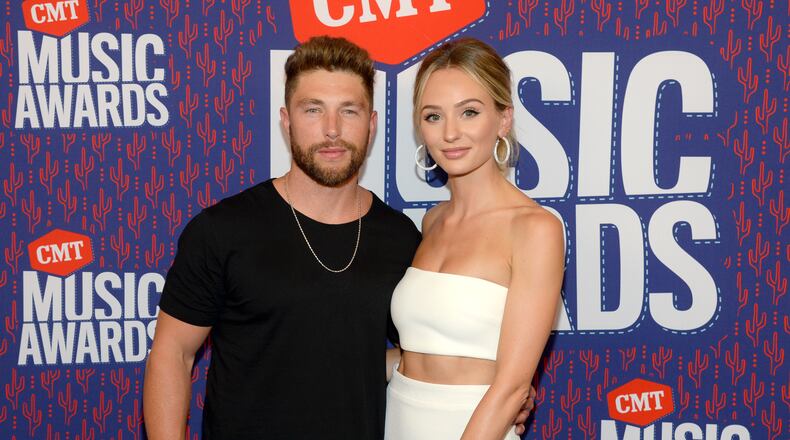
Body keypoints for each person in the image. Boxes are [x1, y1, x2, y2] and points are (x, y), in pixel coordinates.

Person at [143, 36, 533, 439]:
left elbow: (418, 352)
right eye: (313, 110)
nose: (331, 130)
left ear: (372, 123)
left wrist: (497, 385)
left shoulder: (401, 237)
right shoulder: (223, 230)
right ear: (286, 119)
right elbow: (173, 354)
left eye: (349, 110)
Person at [385, 38, 565, 440]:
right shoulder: (431, 222)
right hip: (399, 418)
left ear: (503, 119)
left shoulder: (536, 228)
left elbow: (512, 387)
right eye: (433, 116)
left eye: (469, 112)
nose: (451, 133)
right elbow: (422, 353)